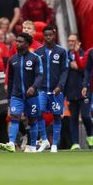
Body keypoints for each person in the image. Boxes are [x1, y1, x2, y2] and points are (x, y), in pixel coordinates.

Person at [0, 32, 42, 153]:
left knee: (32, 119)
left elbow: (40, 75)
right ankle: (11, 143)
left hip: (32, 96)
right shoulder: (12, 60)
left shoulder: (35, 58)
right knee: (14, 117)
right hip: (16, 95)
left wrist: (34, 87)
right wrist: (9, 97)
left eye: (20, 41)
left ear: (27, 44)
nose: (17, 43)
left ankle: (33, 146)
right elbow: (10, 79)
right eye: (16, 41)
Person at [33, 25, 69, 153]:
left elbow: (65, 71)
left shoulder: (61, 51)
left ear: (54, 35)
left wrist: (60, 86)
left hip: (56, 90)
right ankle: (45, 140)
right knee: (38, 113)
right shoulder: (37, 53)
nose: (48, 37)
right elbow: (35, 72)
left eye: (51, 35)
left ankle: (54, 144)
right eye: (46, 35)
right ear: (43, 36)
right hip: (41, 90)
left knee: (57, 116)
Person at [65, 33, 93, 150]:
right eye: (69, 41)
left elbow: (88, 73)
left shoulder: (85, 55)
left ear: (79, 43)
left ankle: (90, 136)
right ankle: (75, 143)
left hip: (84, 90)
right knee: (73, 118)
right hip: (71, 91)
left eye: (73, 41)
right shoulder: (65, 56)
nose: (71, 43)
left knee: (86, 116)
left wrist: (79, 67)